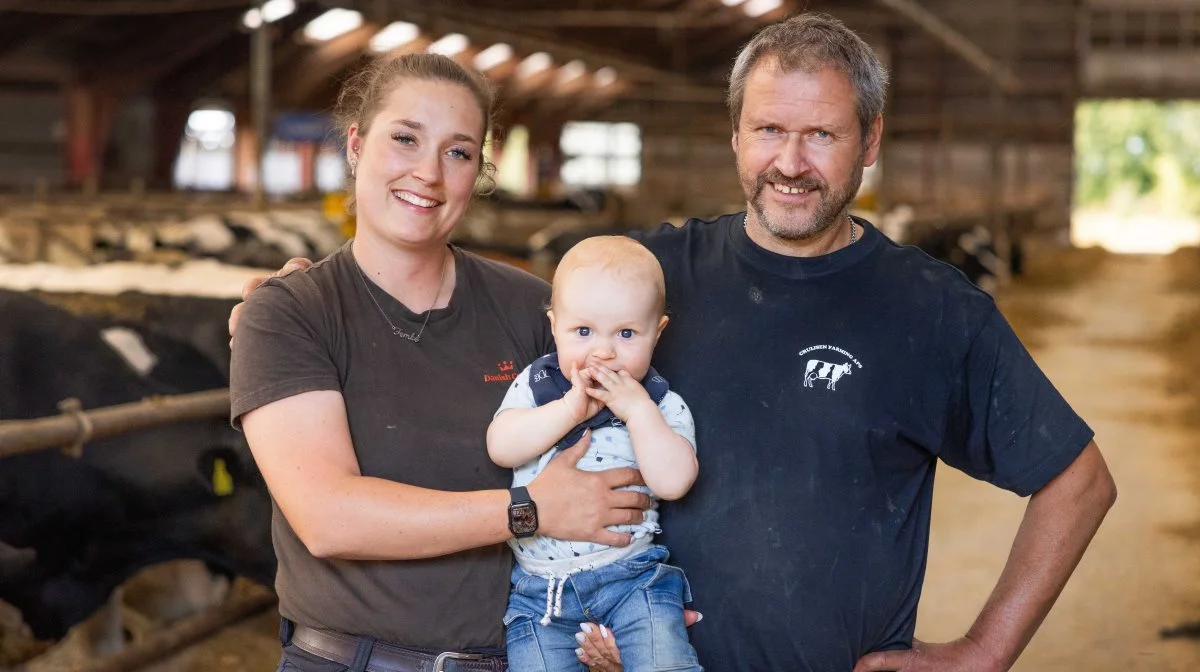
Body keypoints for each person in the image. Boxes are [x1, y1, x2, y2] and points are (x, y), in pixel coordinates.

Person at [233, 13, 1117, 672]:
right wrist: (285, 303)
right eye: (770, 129)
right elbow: (515, 311)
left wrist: (983, 652)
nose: (791, 160)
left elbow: (1079, 481)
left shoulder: (931, 309)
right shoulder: (651, 276)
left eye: (822, 134)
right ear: (735, 137)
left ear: (870, 142)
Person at [229, 52, 653, 672]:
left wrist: (630, 615)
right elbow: (328, 517)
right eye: (405, 138)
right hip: (353, 662)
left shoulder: (534, 308)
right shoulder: (291, 313)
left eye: (457, 152)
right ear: (355, 145)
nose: (427, 173)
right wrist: (529, 509)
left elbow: (622, 452)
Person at [487, 236, 701, 671]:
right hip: (539, 593)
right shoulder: (539, 384)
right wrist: (567, 410)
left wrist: (637, 411)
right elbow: (501, 447)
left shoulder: (658, 402)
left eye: (626, 333)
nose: (603, 352)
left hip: (634, 580)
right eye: (583, 332)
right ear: (554, 325)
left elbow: (674, 482)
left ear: (656, 332)